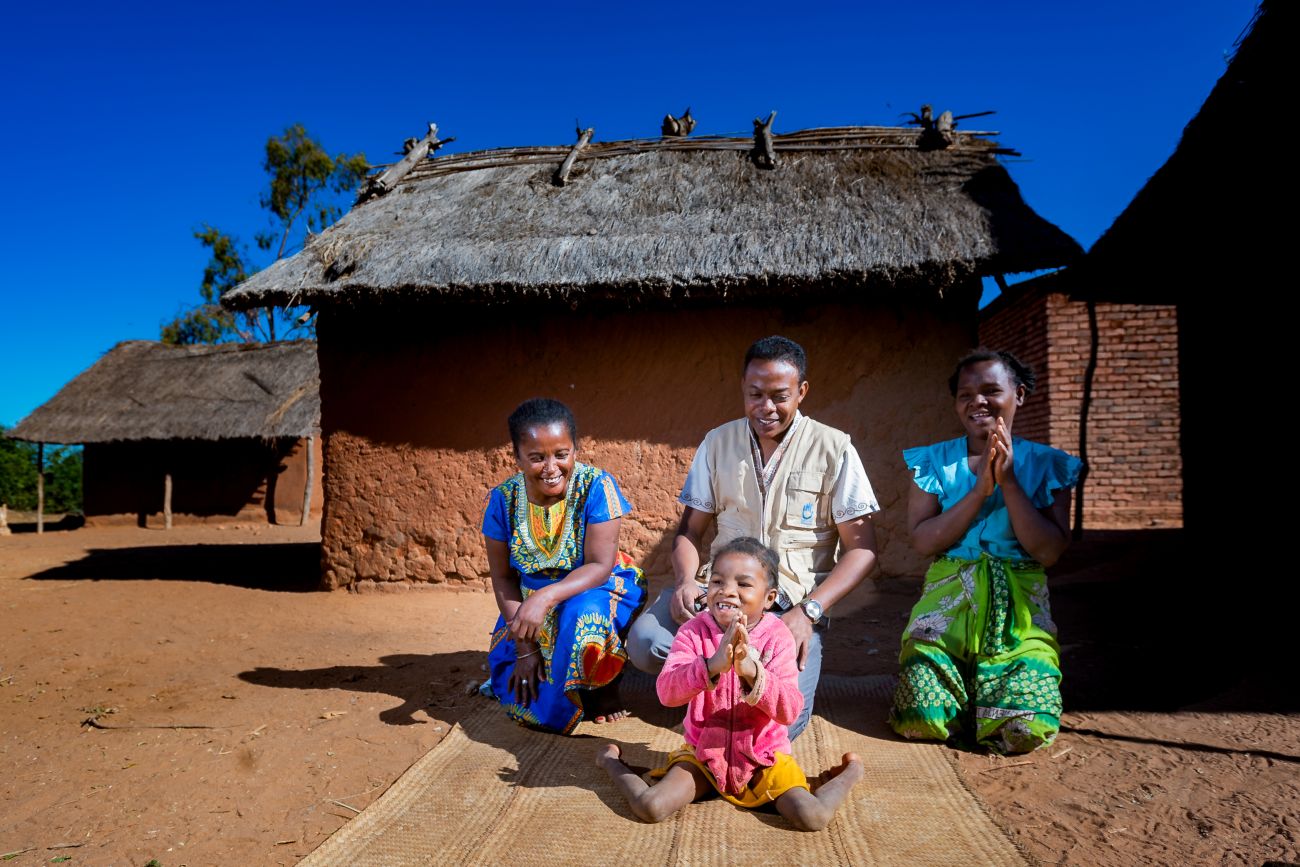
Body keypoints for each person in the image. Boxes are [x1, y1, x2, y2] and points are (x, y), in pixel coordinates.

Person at [626, 335, 879, 739]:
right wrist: (687, 582)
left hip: (788, 607)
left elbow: (862, 550)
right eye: (755, 394)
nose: (766, 408)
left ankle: (731, 687)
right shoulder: (718, 443)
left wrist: (808, 613)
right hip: (719, 595)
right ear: (743, 389)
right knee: (645, 643)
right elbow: (690, 530)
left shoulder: (834, 449)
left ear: (802, 392)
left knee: (785, 724)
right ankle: (711, 685)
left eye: (779, 396)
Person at [597, 538, 863, 830]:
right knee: (650, 806)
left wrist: (751, 672)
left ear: (770, 598)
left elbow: (790, 710)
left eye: (744, 584)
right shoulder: (693, 632)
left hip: (765, 758)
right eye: (717, 581)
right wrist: (711, 666)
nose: (727, 591)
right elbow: (667, 693)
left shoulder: (778, 637)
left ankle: (849, 773)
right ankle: (612, 762)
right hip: (704, 757)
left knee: (813, 817)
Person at [889, 349, 1081, 754]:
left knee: (1023, 730)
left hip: (1021, 615)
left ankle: (992, 693)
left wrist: (1009, 482)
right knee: (921, 719)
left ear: (1020, 395)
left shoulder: (1050, 466)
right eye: (965, 395)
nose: (977, 401)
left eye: (991, 390)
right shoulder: (932, 463)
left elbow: (1048, 551)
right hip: (946, 610)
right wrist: (980, 492)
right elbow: (924, 541)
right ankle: (965, 692)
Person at [482, 398, 647, 734]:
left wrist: (545, 598)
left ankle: (601, 686)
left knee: (582, 615)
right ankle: (568, 696)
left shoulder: (597, 486)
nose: (551, 467)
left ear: (576, 449)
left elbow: (600, 566)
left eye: (561, 454)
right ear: (517, 457)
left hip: (596, 585)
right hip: (528, 600)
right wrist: (525, 647)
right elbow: (502, 578)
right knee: (519, 682)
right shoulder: (503, 500)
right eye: (536, 457)